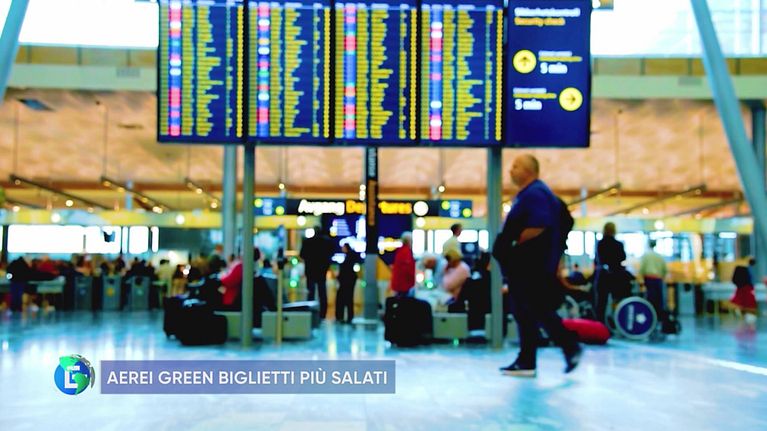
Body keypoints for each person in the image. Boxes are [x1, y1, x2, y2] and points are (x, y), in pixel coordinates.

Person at [493, 154, 581, 377]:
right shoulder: (534, 194)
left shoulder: (535, 194)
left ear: (529, 171)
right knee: (532, 310)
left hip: (530, 266)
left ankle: (555, 352)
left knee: (530, 309)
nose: (511, 171)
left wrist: (515, 244)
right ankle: (536, 357)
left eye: (516, 166)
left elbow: (539, 225)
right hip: (533, 266)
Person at [594, 222, 629, 323]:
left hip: (603, 275)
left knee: (601, 302)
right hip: (616, 274)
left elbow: (597, 260)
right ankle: (618, 321)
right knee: (617, 300)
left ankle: (600, 324)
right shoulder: (618, 244)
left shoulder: (600, 244)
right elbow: (623, 257)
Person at [300, 227, 335, 320]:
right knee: (322, 293)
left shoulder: (307, 242)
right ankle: (323, 314)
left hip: (310, 271)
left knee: (310, 293)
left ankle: (310, 314)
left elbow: (302, 255)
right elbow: (332, 253)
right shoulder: (327, 242)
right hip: (322, 271)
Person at [639, 240, 668, 323]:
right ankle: (658, 317)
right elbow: (665, 269)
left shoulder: (646, 256)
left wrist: (641, 280)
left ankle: (650, 316)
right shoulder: (659, 256)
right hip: (658, 279)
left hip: (648, 279)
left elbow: (642, 269)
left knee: (650, 298)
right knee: (659, 299)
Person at [335, 243, 359, 324]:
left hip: (346, 281)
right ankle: (349, 317)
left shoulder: (348, 258)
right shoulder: (351, 256)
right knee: (349, 299)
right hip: (349, 281)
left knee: (342, 299)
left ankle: (341, 317)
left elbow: (345, 269)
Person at [442, 248, 471, 312]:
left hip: (455, 299)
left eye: (448, 259)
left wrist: (446, 272)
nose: (447, 262)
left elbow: (447, 286)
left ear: (454, 259)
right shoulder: (453, 268)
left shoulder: (462, 269)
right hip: (450, 296)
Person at [390, 232, 416, 296]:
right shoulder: (406, 252)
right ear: (409, 241)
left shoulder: (400, 251)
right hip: (403, 285)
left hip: (399, 284)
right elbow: (408, 269)